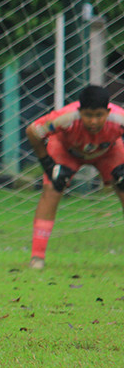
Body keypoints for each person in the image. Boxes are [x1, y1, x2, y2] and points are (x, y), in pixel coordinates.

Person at [26, 84, 124, 270]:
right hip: (66, 150)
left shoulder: (120, 118)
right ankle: (37, 257)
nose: (93, 121)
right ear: (79, 112)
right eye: (88, 115)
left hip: (108, 152)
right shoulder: (65, 118)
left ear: (108, 112)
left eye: (99, 115)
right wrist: (47, 164)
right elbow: (32, 131)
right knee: (52, 189)